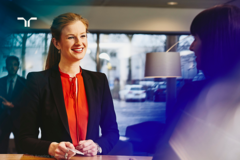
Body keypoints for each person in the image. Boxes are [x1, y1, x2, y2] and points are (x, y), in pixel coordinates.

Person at [18, 13, 119, 159]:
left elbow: (112, 132)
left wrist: (97, 146)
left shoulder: (99, 81)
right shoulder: (37, 81)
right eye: (71, 37)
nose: (79, 42)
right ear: (57, 43)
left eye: (83, 36)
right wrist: (51, 148)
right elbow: (24, 139)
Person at [153, 4, 240, 160]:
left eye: (196, 38)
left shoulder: (196, 92)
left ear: (213, 41)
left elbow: (166, 153)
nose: (192, 47)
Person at [0, 56, 26, 153]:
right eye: (10, 65)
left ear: (18, 67)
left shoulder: (24, 83)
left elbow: (27, 102)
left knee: (21, 149)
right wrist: (3, 105)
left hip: (18, 120)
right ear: (6, 66)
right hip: (3, 120)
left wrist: (13, 105)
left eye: (15, 65)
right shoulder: (0, 82)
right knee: (1, 149)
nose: (12, 67)